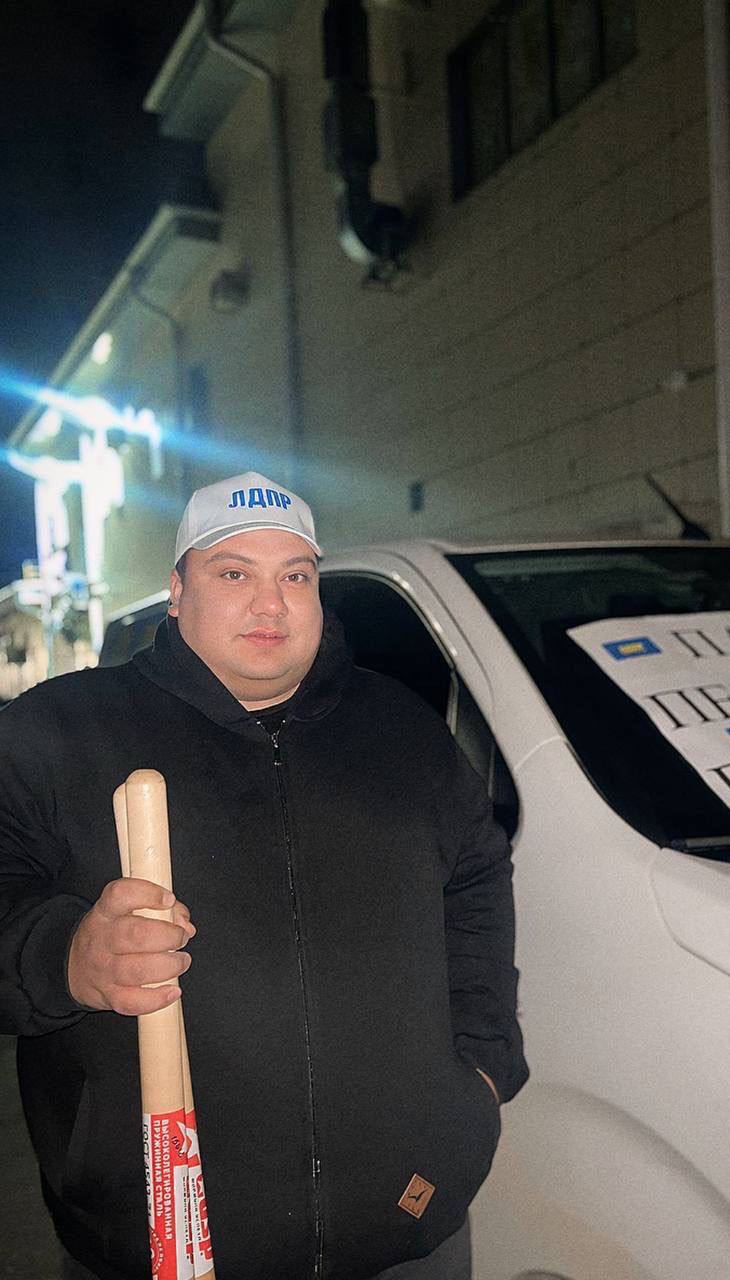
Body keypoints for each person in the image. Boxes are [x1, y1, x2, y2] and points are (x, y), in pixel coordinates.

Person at [0, 470, 528, 1280]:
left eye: (296, 577)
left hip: (406, 1231)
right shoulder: (57, 732)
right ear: (178, 591)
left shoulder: (399, 732)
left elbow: (476, 876)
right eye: (234, 573)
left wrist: (484, 1063)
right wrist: (65, 956)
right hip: (160, 1243)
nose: (270, 604)